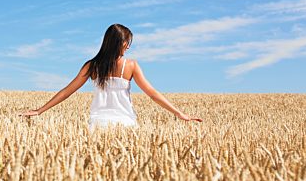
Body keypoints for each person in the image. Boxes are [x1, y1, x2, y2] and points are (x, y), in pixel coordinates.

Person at [18, 23, 203, 129]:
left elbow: (67, 91)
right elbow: (152, 93)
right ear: (117, 44)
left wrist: (40, 110)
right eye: (126, 43)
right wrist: (180, 114)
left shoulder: (92, 66)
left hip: (98, 123)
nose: (128, 47)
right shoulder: (131, 65)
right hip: (125, 122)